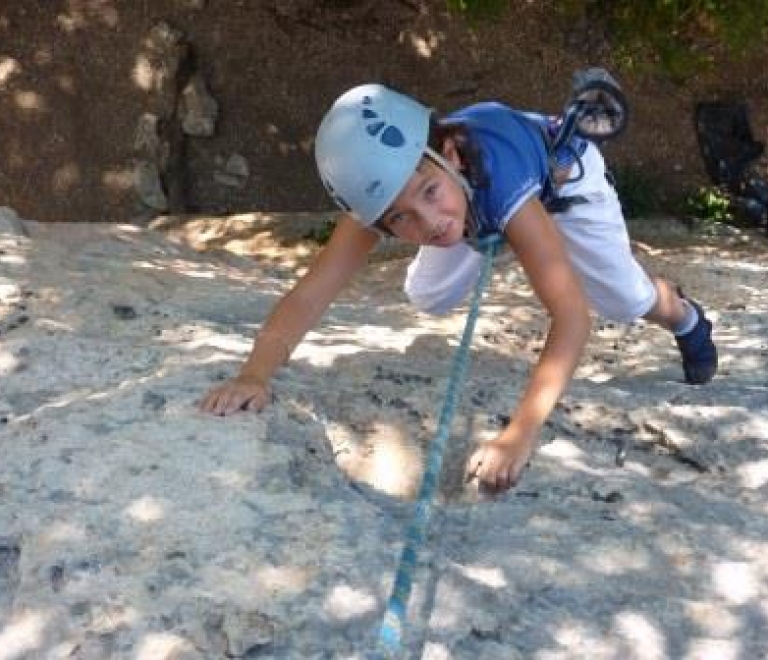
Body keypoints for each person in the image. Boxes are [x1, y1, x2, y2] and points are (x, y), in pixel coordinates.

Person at [198, 83, 718, 491]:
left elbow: (572, 315)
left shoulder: (495, 179)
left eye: (427, 192)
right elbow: (310, 293)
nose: (428, 222)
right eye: (399, 220)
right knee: (428, 295)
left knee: (625, 300)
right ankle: (498, 232)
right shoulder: (389, 191)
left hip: (562, 185)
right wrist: (254, 374)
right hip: (477, 202)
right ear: (376, 218)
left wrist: (519, 434)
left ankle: (684, 315)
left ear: (450, 151)